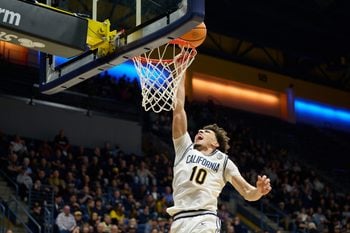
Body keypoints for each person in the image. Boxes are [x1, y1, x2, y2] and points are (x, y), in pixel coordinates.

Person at [166, 76, 272, 233]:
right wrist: (181, 75)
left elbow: (247, 193)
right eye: (200, 130)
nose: (200, 131)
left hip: (204, 219)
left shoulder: (223, 162)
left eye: (206, 131)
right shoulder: (184, 148)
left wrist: (259, 191)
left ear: (215, 143)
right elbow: (178, 110)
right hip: (179, 221)